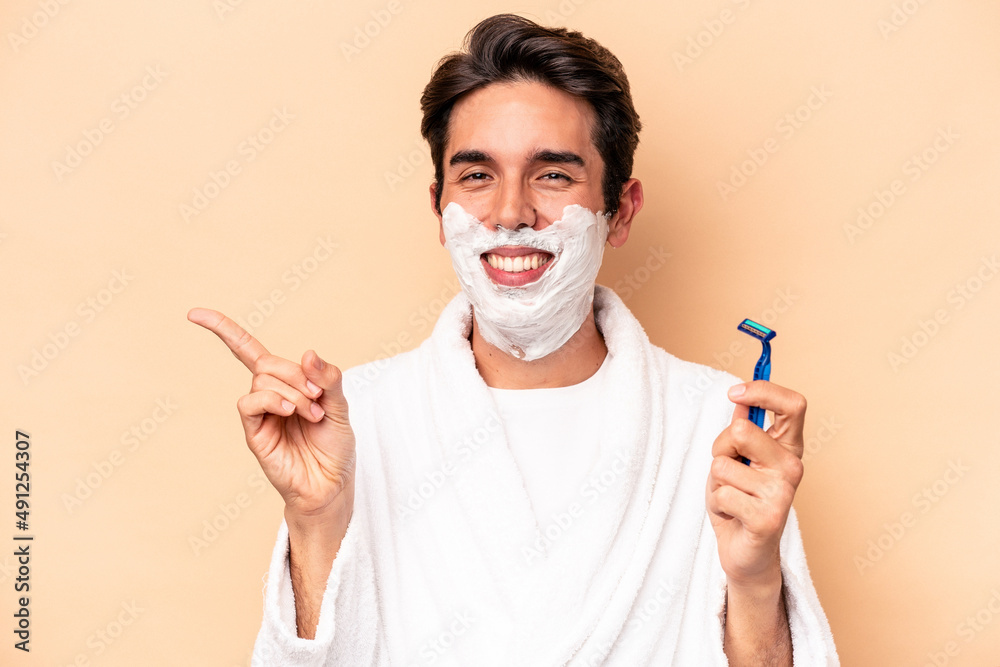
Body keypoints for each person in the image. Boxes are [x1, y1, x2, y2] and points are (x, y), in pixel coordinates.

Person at [188, 14, 838, 666]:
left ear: (621, 211)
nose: (509, 212)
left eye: (553, 175)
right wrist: (315, 520)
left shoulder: (715, 428)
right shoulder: (357, 419)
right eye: (476, 176)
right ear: (440, 210)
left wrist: (756, 579)